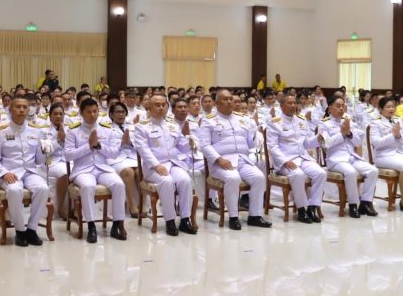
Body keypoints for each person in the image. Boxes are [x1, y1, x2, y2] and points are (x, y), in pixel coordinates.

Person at [198, 89, 270, 230]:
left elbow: (250, 144)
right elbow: (204, 145)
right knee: (233, 178)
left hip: (242, 159)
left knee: (259, 177)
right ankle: (233, 217)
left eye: (231, 99)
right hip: (220, 163)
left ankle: (255, 216)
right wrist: (219, 159)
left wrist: (254, 132)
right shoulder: (208, 120)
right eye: (225, 99)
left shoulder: (242, 119)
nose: (230, 102)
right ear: (216, 103)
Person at [0, 95, 51, 247]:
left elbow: (39, 161)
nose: (22, 110)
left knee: (43, 188)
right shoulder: (0, 132)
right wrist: (4, 173)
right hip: (10, 173)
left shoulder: (36, 132)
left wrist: (45, 151)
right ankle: (20, 231)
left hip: (30, 172)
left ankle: (32, 229)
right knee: (15, 190)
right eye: (18, 107)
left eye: (25, 107)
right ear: (10, 109)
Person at [65, 98, 128, 243]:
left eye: (95, 111)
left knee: (119, 184)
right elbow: (68, 155)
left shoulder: (107, 129)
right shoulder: (73, 131)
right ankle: (91, 226)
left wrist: (98, 146)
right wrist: (88, 146)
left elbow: (114, 153)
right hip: (83, 170)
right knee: (88, 186)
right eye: (89, 112)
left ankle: (117, 225)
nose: (93, 115)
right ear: (81, 113)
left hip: (103, 168)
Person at [133, 95, 198, 236]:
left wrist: (189, 140)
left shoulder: (172, 125)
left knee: (185, 180)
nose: (161, 107)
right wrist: (156, 165)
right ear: (149, 107)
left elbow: (181, 146)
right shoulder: (141, 127)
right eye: (157, 105)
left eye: (164, 105)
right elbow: (143, 150)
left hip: (173, 164)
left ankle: (185, 220)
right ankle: (170, 221)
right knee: (167, 181)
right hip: (153, 168)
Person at [265, 95, 327, 224]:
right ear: (282, 106)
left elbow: (307, 143)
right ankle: (301, 209)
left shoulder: (301, 120)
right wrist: (284, 161)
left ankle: (312, 207)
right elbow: (273, 147)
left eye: (294, 103)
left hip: (302, 157)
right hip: (286, 160)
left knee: (321, 173)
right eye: (289, 103)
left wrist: (318, 138)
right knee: (298, 175)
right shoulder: (274, 123)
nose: (293, 106)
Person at [318, 96, 379, 217]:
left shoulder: (348, 122)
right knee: (351, 172)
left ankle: (366, 203)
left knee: (373, 170)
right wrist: (342, 134)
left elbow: (357, 142)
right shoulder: (324, 124)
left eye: (343, 106)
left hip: (352, 157)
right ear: (330, 109)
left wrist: (349, 133)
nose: (341, 108)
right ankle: (353, 204)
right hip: (336, 160)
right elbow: (326, 144)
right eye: (338, 106)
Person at [369, 96, 403, 212]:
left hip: (399, 153)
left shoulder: (398, 120)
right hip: (383, 155)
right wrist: (392, 135)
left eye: (393, 106)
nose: (391, 109)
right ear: (381, 109)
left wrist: (399, 135)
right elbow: (376, 143)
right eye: (388, 107)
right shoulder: (375, 122)